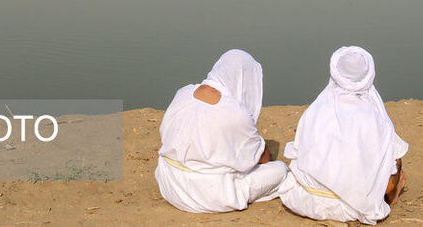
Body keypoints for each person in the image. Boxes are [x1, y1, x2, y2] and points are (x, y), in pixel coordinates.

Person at [279, 45, 408, 224]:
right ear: (369, 75)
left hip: (305, 200)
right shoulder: (372, 116)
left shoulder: (316, 109)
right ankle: (392, 197)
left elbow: (298, 151)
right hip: (349, 208)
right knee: (395, 155)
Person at [155, 49, 288, 213]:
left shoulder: (183, 93)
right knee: (280, 170)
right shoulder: (235, 114)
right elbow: (263, 158)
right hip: (208, 195)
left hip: (169, 183)